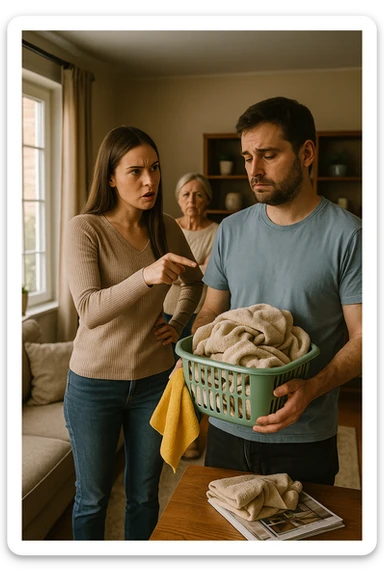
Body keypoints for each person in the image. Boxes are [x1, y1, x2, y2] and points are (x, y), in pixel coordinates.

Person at [191, 96, 362, 485]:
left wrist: (312, 388)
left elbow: (364, 337)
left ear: (306, 153)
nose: (254, 170)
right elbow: (210, 314)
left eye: (268, 155)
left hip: (304, 434)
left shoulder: (348, 235)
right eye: (248, 157)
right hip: (226, 423)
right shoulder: (230, 230)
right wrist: (194, 355)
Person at [63, 126, 203, 540]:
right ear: (110, 176)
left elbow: (193, 283)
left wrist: (176, 325)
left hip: (153, 383)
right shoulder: (84, 228)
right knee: (92, 498)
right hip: (92, 386)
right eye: (135, 171)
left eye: (155, 169)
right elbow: (89, 310)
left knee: (144, 495)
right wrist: (145, 276)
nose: (150, 181)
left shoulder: (165, 227)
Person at [163, 172, 219, 458]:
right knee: (168, 373)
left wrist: (181, 270)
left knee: (196, 376)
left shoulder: (218, 231)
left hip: (202, 313)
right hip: (166, 310)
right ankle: (172, 429)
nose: (191, 200)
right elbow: (161, 267)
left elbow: (211, 275)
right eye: (186, 194)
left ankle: (193, 433)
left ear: (207, 199)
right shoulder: (169, 228)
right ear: (178, 199)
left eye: (198, 194)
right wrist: (195, 268)